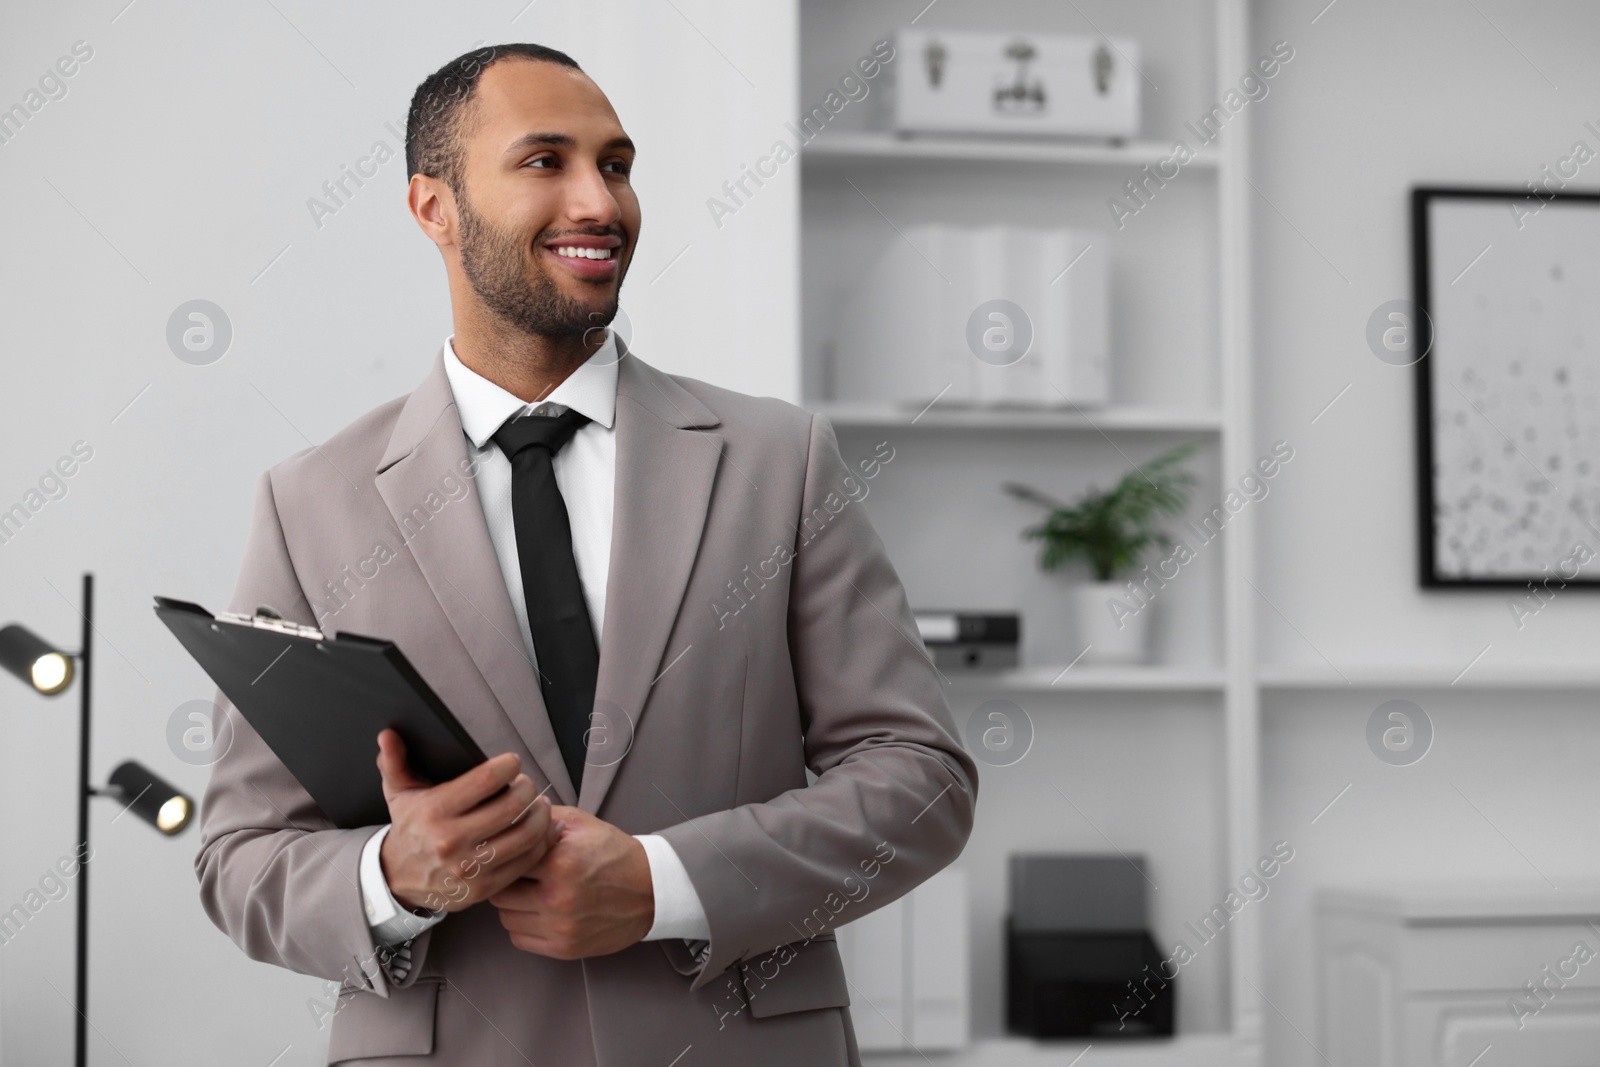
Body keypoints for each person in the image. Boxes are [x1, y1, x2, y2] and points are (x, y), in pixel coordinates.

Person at [194, 41, 976, 1066]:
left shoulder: (780, 462)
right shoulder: (309, 503)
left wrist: (664, 881)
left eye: (615, 163)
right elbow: (238, 858)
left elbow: (920, 779)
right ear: (433, 207)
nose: (599, 202)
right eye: (544, 161)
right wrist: (395, 873)